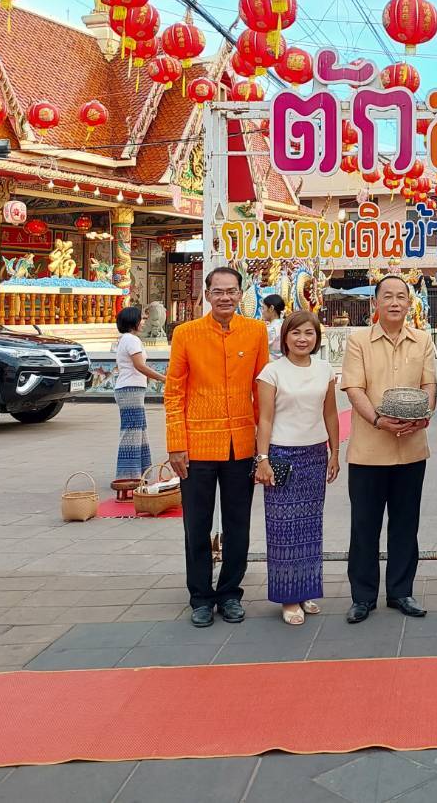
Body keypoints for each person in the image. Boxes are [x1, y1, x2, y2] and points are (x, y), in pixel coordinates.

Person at [164, 266, 267, 627]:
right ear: (207, 295)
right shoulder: (186, 334)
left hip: (241, 446)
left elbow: (261, 390)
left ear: (241, 294)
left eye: (232, 291)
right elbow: (174, 391)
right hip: (196, 446)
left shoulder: (255, 332)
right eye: (218, 291)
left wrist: (264, 446)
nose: (225, 297)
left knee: (239, 525)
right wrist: (176, 444)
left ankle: (230, 592)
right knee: (197, 525)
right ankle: (200, 597)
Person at [340, 274, 437, 623]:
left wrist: (424, 415)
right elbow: (354, 388)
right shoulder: (359, 341)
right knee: (364, 526)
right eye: (388, 297)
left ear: (410, 303)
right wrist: (379, 421)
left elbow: (429, 383)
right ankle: (363, 596)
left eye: (401, 297)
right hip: (368, 451)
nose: (395, 303)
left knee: (405, 524)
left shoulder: (423, 340)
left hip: (411, 450)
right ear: (376, 303)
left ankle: (401, 591)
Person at [255, 311, 340, 625]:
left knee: (309, 527)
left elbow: (330, 414)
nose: (303, 339)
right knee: (282, 529)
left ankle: (305, 589)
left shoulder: (324, 370)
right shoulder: (271, 372)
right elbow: (264, 419)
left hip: (315, 454)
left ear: (317, 337)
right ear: (285, 337)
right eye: (296, 333)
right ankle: (287, 597)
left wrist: (335, 453)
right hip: (280, 454)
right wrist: (262, 459)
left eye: (309, 333)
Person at [113, 305, 165, 487]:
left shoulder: (126, 339)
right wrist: (162, 378)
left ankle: (141, 472)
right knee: (132, 431)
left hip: (130, 388)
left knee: (139, 429)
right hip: (130, 389)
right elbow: (139, 366)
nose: (144, 322)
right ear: (133, 322)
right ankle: (128, 475)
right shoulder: (131, 340)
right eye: (141, 319)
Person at [261, 293, 286, 361]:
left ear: (271, 308)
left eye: (263, 308)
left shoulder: (271, 329)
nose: (262, 312)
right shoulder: (285, 324)